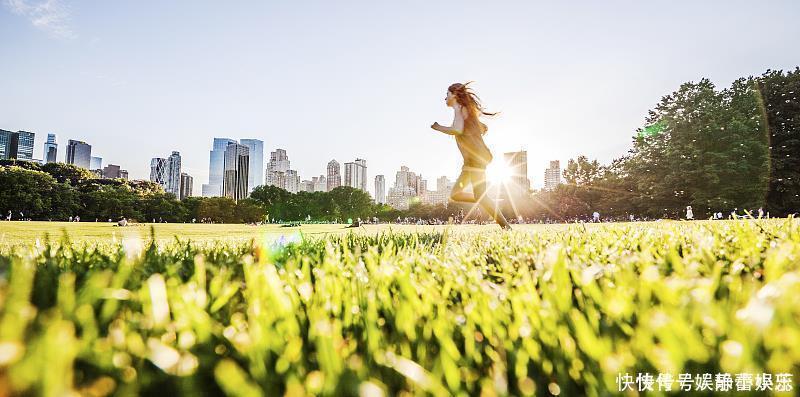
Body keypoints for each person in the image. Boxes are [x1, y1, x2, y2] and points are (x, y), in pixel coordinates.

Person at [431, 82, 511, 230]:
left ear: (454, 95)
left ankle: (504, 224)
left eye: (447, 94)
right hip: (471, 161)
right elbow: (475, 127)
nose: (445, 98)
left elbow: (457, 129)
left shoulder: (459, 108)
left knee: (474, 195)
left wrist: (438, 127)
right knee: (456, 194)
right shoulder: (464, 110)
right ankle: (487, 201)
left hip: (475, 160)